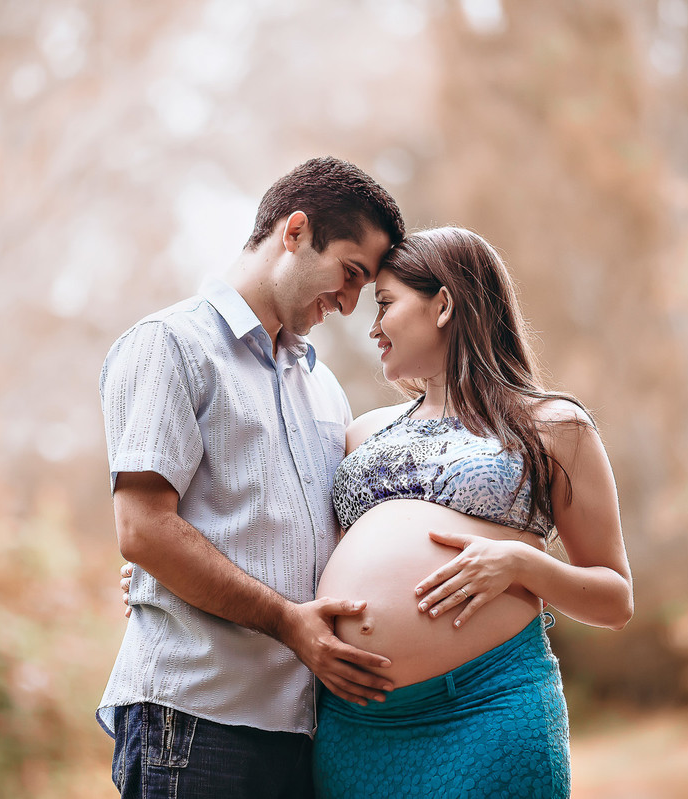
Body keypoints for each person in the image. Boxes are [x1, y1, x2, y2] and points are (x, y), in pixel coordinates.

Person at [99, 156, 405, 799]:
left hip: (300, 730)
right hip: (195, 723)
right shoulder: (171, 345)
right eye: (350, 273)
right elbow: (144, 530)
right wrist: (288, 620)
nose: (351, 304)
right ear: (295, 232)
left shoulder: (323, 388)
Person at [309, 226, 634, 797]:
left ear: (444, 305)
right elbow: (304, 552)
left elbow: (615, 598)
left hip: (488, 709)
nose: (373, 326)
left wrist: (520, 565)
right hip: (358, 725)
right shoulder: (362, 434)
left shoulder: (553, 426)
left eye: (385, 304)